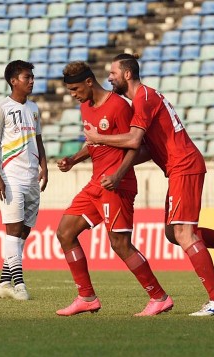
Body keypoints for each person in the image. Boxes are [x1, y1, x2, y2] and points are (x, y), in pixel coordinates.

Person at [83, 53, 214, 316]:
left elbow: (133, 141)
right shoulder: (142, 99)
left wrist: (99, 138)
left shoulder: (143, 98)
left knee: (183, 234)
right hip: (178, 168)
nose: (109, 77)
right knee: (172, 232)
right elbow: (145, 149)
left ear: (127, 74)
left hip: (184, 166)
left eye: (113, 73)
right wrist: (116, 165)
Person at [55, 61, 173, 317]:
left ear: (89, 82)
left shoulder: (119, 106)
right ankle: (86, 297)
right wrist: (74, 159)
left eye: (75, 89)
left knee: (119, 243)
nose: (73, 95)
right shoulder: (85, 106)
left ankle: (159, 297)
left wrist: (118, 175)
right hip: (97, 183)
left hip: (117, 184)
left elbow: (136, 145)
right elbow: (96, 142)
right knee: (64, 232)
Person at [0, 60, 48, 301]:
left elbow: (39, 139)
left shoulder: (33, 108)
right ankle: (20, 285)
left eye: (32, 77)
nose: (31, 80)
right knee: (13, 231)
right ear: (14, 81)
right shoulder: (1, 108)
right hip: (11, 177)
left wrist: (44, 166)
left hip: (32, 177)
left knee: (23, 231)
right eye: (27, 77)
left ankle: (4, 282)